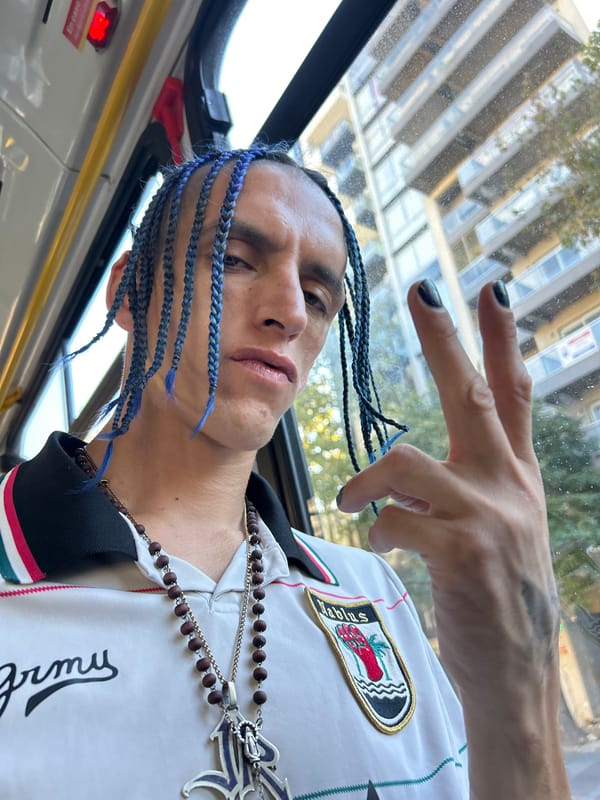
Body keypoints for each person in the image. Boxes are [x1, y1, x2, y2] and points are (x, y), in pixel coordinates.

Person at [0, 144, 569, 799]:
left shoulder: (371, 592)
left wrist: (520, 695)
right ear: (131, 289)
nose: (291, 313)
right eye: (236, 260)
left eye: (318, 294)